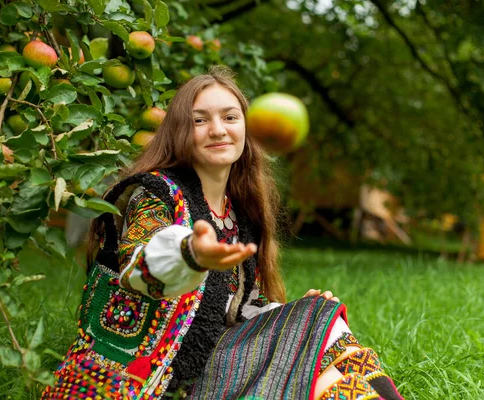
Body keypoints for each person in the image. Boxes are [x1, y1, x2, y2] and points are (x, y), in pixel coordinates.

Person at [42, 66, 404, 400]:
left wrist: (287, 312)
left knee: (324, 324)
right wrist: (190, 255)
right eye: (200, 120)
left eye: (230, 117)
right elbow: (138, 268)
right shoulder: (155, 193)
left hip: (213, 357)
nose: (218, 129)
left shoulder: (239, 210)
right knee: (329, 385)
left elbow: (235, 310)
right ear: (180, 131)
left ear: (247, 129)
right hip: (155, 376)